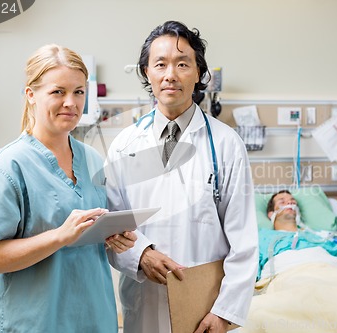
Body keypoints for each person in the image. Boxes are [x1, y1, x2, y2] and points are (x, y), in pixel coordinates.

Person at [0, 44, 137, 333]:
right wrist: (59, 236)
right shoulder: (8, 166)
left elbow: (88, 236)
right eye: (58, 91)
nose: (71, 102)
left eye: (79, 92)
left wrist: (112, 236)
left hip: (93, 318)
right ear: (31, 95)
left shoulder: (92, 159)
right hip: (33, 323)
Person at [104, 21, 258, 333]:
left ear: (199, 73)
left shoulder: (226, 144)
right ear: (147, 73)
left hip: (205, 311)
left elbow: (244, 241)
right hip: (144, 305)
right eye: (160, 64)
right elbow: (112, 227)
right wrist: (141, 254)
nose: (170, 74)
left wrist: (224, 312)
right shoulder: (124, 145)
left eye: (182, 63)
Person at [258, 189, 337, 280]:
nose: (290, 203)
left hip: (328, 275)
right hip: (287, 275)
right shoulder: (264, 237)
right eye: (282, 201)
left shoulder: (317, 238)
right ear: (271, 214)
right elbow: (250, 267)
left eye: (292, 201)